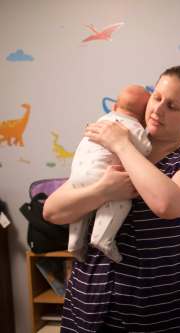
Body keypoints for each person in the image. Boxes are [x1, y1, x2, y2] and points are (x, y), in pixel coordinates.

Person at [43, 66, 180, 332]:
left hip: (153, 314)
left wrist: (122, 144)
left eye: (172, 106)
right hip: (88, 304)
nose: (158, 110)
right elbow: (52, 212)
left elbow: (167, 204)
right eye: (156, 98)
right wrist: (103, 191)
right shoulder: (107, 153)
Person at [68, 85, 152, 263]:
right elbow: (146, 149)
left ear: (114, 106)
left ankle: (74, 242)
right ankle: (103, 239)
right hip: (101, 175)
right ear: (144, 116)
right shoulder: (134, 127)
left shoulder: (102, 120)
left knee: (82, 208)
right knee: (121, 201)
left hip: (76, 175)